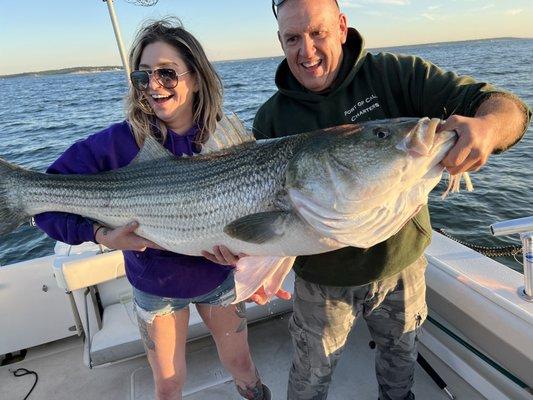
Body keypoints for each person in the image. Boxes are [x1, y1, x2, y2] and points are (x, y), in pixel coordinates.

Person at [252, 1, 531, 399]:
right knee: (310, 376)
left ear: (342, 27)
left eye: (318, 33)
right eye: (293, 38)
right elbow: (258, 220)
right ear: (280, 41)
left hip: (400, 265)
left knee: (400, 367)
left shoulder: (395, 75)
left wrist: (487, 127)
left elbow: (509, 108)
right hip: (322, 280)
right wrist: (243, 256)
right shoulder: (272, 119)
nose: (306, 50)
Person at [35, 18, 271, 400]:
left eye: (166, 73)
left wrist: (250, 260)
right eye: (143, 76)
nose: (154, 86)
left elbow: (256, 220)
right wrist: (102, 236)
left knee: (243, 367)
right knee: (168, 385)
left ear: (195, 77)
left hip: (216, 278)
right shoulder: (116, 144)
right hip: (155, 287)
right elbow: (43, 202)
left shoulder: (230, 143)